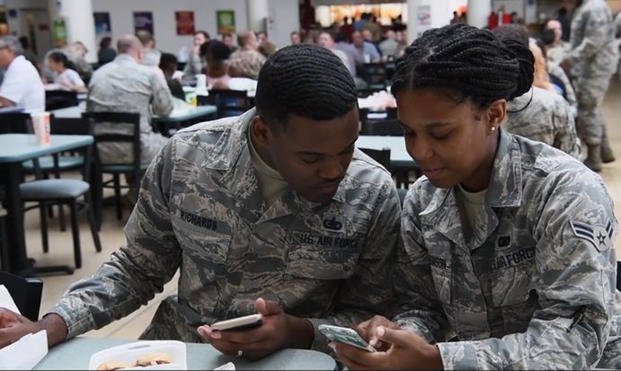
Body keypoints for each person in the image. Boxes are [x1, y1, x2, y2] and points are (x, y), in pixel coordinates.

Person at [0, 44, 400, 359]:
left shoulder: (371, 192)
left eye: (347, 149)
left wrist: (300, 331)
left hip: (299, 359)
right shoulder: (188, 159)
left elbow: (372, 317)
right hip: (185, 350)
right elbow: (137, 269)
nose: (335, 171)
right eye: (312, 158)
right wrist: (52, 325)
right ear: (262, 132)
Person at [333, 23, 621, 369]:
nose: (421, 151)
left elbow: (576, 338)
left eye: (441, 134)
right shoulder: (422, 202)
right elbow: (422, 305)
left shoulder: (565, 193)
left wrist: (440, 360)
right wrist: (396, 337)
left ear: (494, 114)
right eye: (409, 132)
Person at [493, 25, 580, 159]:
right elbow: (572, 158)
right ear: (528, 52)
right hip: (547, 178)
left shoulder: (477, 105)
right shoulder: (553, 104)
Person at [86, 34, 173, 166]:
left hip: (101, 151)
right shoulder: (149, 73)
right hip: (140, 149)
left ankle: (134, 182)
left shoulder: (98, 74)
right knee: (177, 147)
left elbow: (89, 110)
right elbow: (165, 110)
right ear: (140, 53)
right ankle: (150, 185)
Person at [562, 0, 619, 171]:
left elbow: (594, 41)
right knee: (593, 106)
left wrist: (570, 59)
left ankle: (594, 158)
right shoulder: (586, 7)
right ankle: (605, 150)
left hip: (595, 66)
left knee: (587, 107)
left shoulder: (595, 7)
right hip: (590, 65)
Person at [0, 35, 44, 112]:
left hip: (26, 120)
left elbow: (5, 101)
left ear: (9, 50)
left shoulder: (19, 67)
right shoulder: (16, 66)